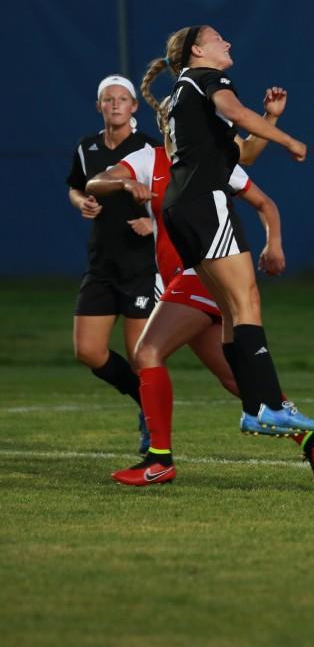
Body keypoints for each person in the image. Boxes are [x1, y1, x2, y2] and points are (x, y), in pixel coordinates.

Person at [86, 96, 314, 484]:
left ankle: (159, 459)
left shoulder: (207, 162)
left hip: (201, 275)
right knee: (237, 380)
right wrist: (123, 181)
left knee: (147, 351)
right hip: (186, 281)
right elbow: (95, 182)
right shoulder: (147, 159)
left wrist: (274, 244)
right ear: (167, 121)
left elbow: (264, 203)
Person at [141, 25, 314, 446]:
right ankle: (270, 405)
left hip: (181, 208)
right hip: (206, 203)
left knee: (228, 309)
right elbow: (238, 113)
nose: (228, 43)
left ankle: (253, 409)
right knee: (247, 301)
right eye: (219, 38)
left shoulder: (185, 95)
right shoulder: (208, 78)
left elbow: (243, 153)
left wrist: (271, 120)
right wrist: (289, 139)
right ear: (198, 50)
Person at [66, 75, 161, 454]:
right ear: (99, 106)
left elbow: (171, 198)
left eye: (123, 99)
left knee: (141, 356)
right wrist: (80, 202)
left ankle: (154, 427)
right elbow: (76, 185)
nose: (116, 105)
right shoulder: (87, 147)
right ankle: (147, 400)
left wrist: (154, 223)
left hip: (140, 266)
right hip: (102, 264)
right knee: (88, 350)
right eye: (109, 99)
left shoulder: (149, 149)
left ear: (135, 107)